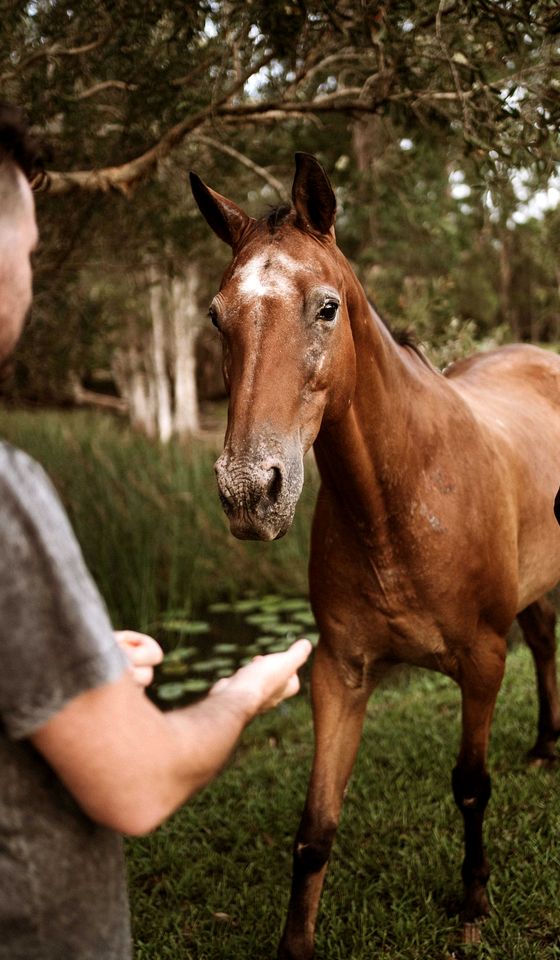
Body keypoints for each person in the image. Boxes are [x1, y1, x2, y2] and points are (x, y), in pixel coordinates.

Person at [0, 102, 312, 960]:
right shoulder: (6, 495)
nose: (32, 268)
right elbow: (137, 789)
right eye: (27, 249)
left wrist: (67, 656)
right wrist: (247, 691)